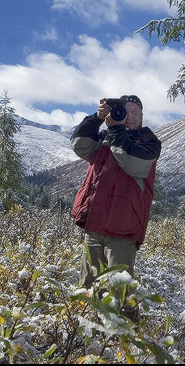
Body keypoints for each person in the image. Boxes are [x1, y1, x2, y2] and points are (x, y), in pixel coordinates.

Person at [70, 94, 161, 292]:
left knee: (119, 291)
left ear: (142, 116)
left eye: (134, 112)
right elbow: (79, 145)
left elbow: (132, 163)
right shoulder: (106, 137)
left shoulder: (149, 141)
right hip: (94, 226)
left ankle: (126, 324)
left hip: (122, 230)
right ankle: (88, 322)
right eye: (124, 111)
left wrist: (116, 129)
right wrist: (96, 119)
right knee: (88, 287)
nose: (128, 116)